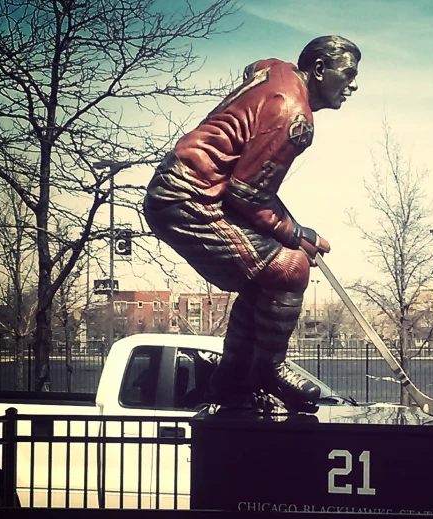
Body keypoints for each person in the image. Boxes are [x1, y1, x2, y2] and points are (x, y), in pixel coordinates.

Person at [143, 36, 361, 411]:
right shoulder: (295, 117)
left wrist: (295, 231)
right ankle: (268, 369)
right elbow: (246, 194)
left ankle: (231, 382)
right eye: (349, 74)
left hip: (186, 189)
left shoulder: (279, 71)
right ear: (320, 70)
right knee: (290, 269)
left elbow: (257, 66)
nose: (354, 85)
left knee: (265, 277)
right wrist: (297, 234)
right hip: (189, 201)